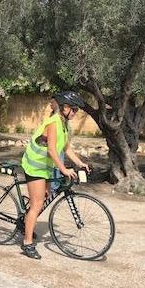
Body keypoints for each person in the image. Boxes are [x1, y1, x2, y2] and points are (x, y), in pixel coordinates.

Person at [19, 91, 91, 259]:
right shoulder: (53, 123)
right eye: (74, 109)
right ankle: (27, 243)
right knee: (37, 204)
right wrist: (64, 170)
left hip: (46, 167)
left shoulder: (64, 124)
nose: (75, 112)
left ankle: (26, 221)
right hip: (35, 166)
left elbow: (65, 148)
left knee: (44, 197)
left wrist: (80, 163)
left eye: (77, 110)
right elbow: (52, 150)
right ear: (64, 108)